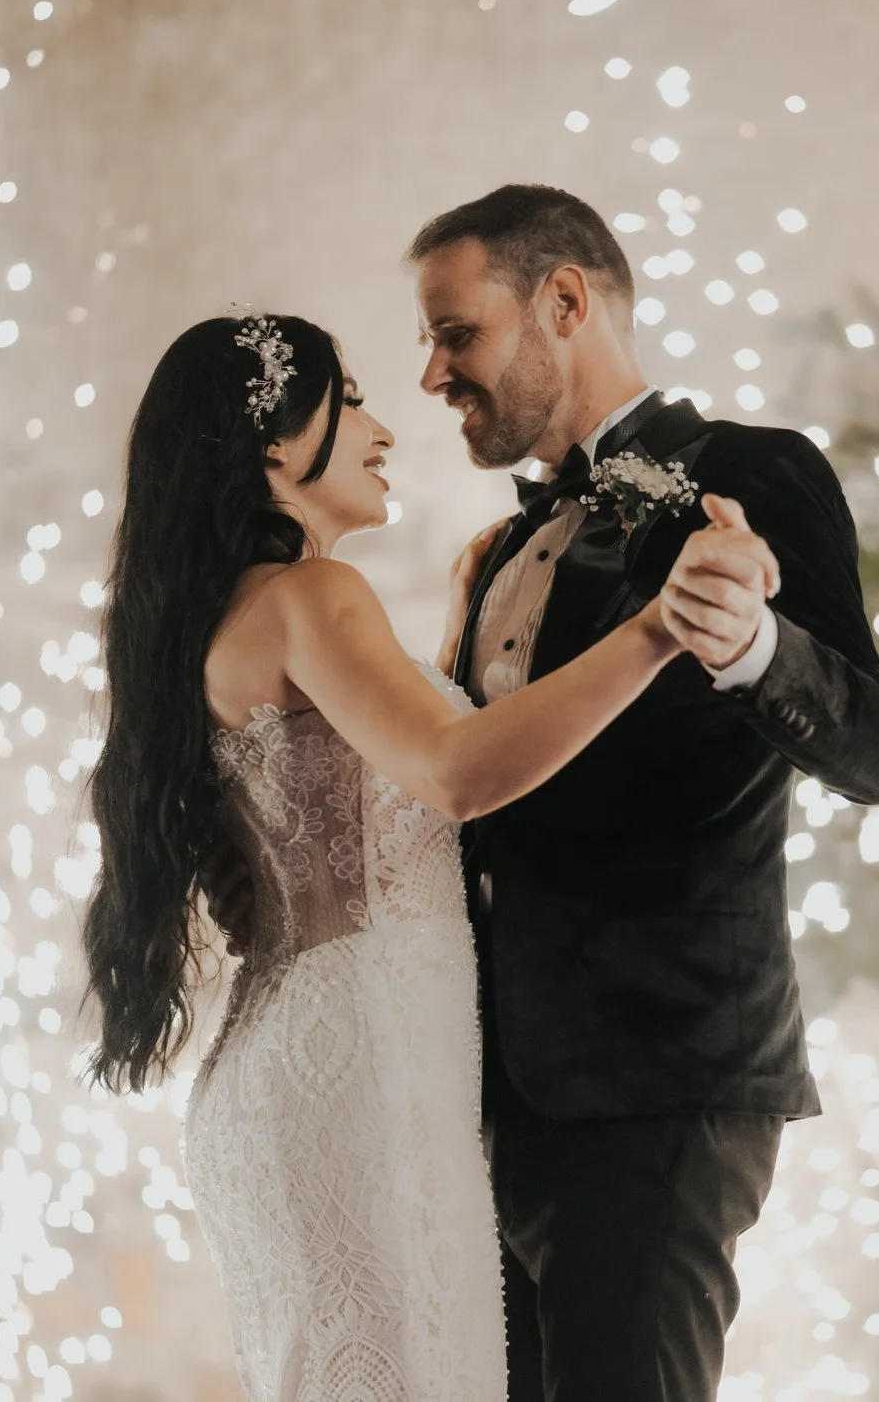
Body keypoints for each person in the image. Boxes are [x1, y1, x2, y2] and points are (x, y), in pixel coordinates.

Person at [75, 312, 780, 1401]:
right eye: (347, 399)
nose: (381, 426)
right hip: (363, 1062)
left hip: (301, 1054)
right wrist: (658, 627)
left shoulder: (221, 617)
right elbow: (455, 773)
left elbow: (355, 797)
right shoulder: (313, 594)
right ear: (273, 445)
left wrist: (455, 644)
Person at [412, 184, 879, 1401]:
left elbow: (875, 750)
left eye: (455, 331)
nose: (432, 374)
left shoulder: (752, 470)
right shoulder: (499, 550)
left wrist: (749, 645)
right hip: (501, 1084)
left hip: (658, 1079)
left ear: (564, 302)